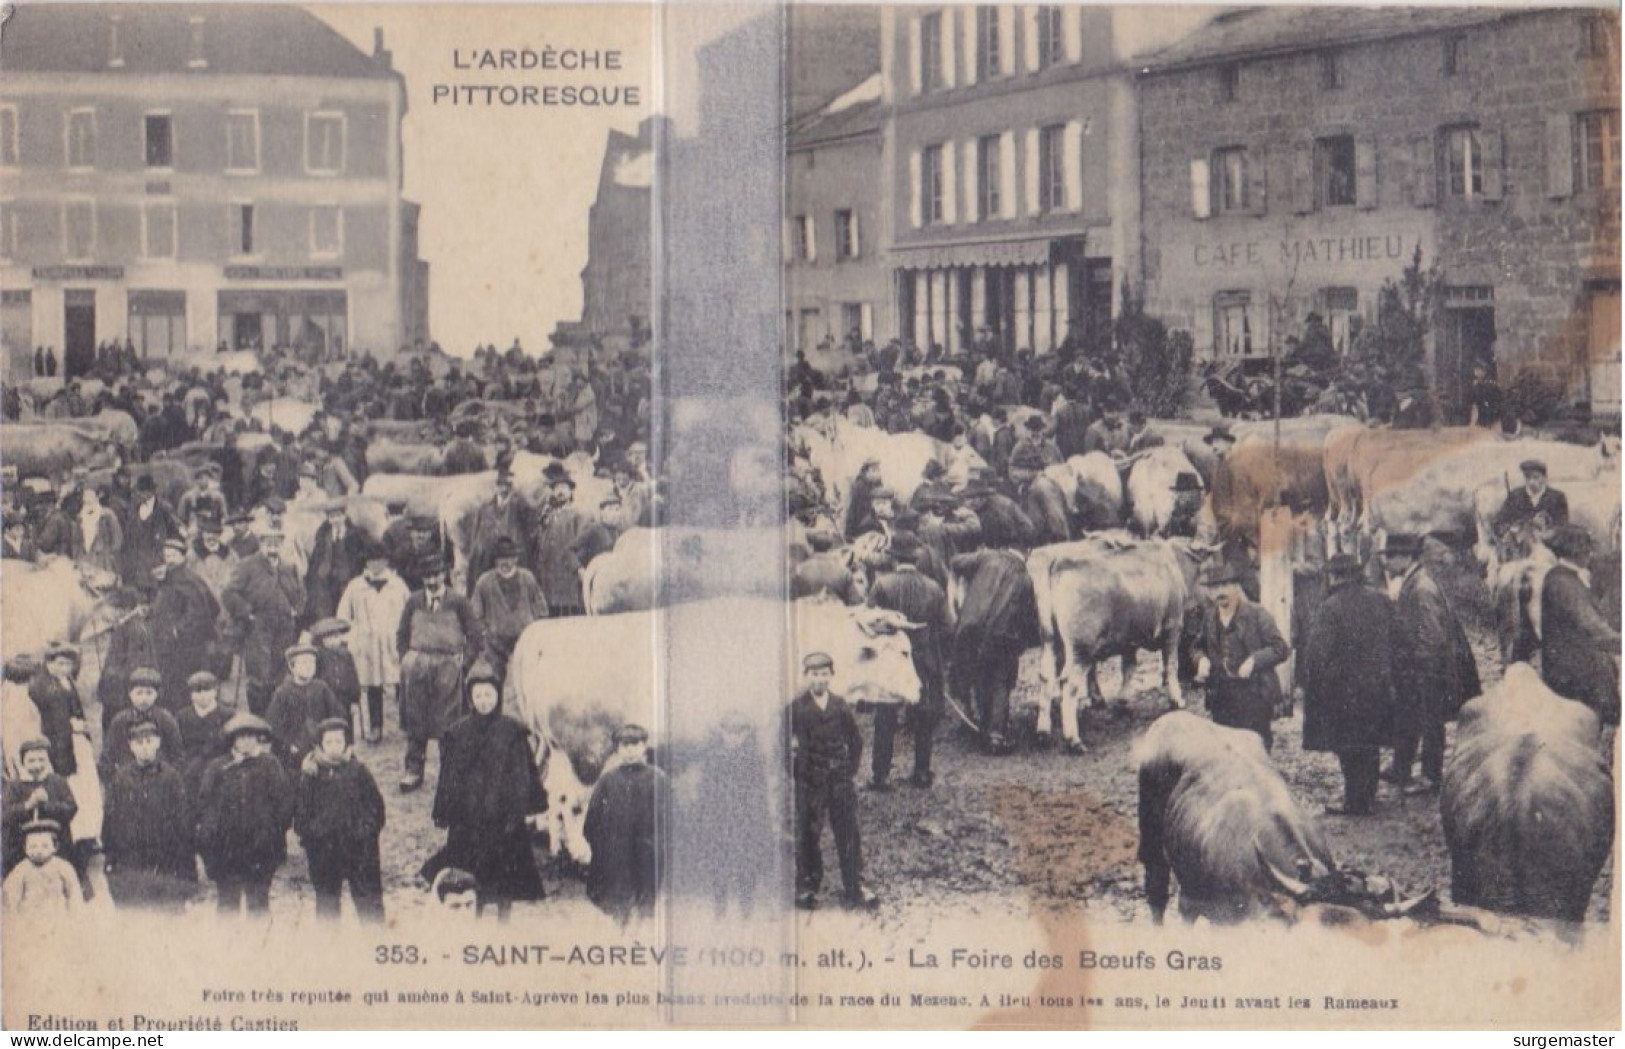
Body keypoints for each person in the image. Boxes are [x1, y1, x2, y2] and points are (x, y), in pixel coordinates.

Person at [423, 663, 546, 919]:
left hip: (504, 819)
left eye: (488, 695)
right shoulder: (458, 733)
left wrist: (523, 807)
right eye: (478, 696)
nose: (484, 701)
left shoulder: (512, 731)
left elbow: (524, 773)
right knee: (471, 871)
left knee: (505, 875)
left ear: (498, 696)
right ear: (470, 698)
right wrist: (447, 812)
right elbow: (449, 778)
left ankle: (504, 918)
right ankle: (473, 914)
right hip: (470, 820)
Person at [1298, 554, 1398, 816]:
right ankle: (1368, 796)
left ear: (1334, 576)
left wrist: (1315, 686)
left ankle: (1355, 802)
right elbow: (1399, 640)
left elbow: (1317, 655)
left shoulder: (1330, 607)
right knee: (1370, 744)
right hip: (1377, 687)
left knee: (1349, 748)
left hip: (1343, 693)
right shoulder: (1381, 599)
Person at [1379, 534, 1480, 793]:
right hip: (1420, 665)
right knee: (1410, 714)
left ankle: (1431, 776)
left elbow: (1431, 635)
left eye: (1389, 557)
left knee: (1430, 720)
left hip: (1429, 669)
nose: (1386, 563)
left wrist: (1418, 667)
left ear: (1404, 557)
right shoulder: (1414, 581)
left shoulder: (1421, 587)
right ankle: (1401, 767)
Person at [787, 652, 876, 911]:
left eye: (824, 674)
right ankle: (806, 887)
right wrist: (797, 772)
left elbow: (856, 741)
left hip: (840, 781)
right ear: (806, 676)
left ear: (831, 676)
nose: (819, 679)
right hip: (810, 782)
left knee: (848, 832)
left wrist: (849, 771)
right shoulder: (796, 709)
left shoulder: (839, 706)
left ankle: (855, 885)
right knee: (808, 834)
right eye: (814, 674)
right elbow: (780, 745)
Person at [866, 537, 950, 789]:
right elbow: (948, 626)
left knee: (886, 715)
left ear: (893, 558)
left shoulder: (881, 584)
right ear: (917, 559)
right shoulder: (934, 587)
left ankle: (881, 775)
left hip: (891, 657)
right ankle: (922, 772)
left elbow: (869, 621)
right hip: (924, 657)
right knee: (924, 714)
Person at [395, 556, 482, 793]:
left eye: (436, 575)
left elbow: (475, 635)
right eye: (427, 576)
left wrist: (464, 663)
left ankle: (451, 773)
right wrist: (406, 658)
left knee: (449, 721)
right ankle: (413, 770)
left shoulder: (458, 602)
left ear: (444, 574)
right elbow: (402, 633)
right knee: (415, 718)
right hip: (418, 665)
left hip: (448, 665)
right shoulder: (414, 601)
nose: (432, 580)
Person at [195, 712, 293, 917]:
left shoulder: (270, 765)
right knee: (227, 904)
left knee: (258, 903)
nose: (246, 742)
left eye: (250, 736)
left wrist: (271, 833)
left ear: (258, 738)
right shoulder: (218, 767)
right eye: (241, 737)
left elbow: (283, 805)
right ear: (233, 740)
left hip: (261, 849)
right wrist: (211, 839)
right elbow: (205, 805)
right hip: (226, 850)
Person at [948, 549, 1039, 755]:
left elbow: (956, 560)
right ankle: (996, 735)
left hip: (974, 629)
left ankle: (981, 725)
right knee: (1001, 683)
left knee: (981, 676)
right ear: (1026, 554)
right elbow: (1028, 618)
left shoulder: (987, 557)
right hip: (1003, 637)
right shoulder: (1025, 578)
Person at [294, 718, 386, 923]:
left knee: (368, 902)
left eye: (338, 741)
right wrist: (314, 835)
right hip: (324, 851)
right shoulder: (311, 775)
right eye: (329, 742)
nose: (335, 747)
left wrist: (365, 832)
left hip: (359, 849)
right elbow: (301, 814)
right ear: (320, 746)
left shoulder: (358, 771)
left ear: (346, 743)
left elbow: (376, 809)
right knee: (327, 903)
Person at [1192, 562, 1291, 750]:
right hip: (1221, 694)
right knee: (1226, 749)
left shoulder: (1256, 613)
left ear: (1236, 587)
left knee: (1255, 746)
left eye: (1225, 586)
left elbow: (1280, 648)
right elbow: (1197, 647)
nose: (1220, 593)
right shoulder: (1209, 617)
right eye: (1214, 588)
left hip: (1253, 694)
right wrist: (1201, 660)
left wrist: (1254, 660)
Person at [683, 711, 771, 918]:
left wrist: (760, 820)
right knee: (719, 864)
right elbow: (705, 791)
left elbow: (760, 793)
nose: (734, 737)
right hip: (719, 820)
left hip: (746, 821)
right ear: (722, 733)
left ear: (747, 734)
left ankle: (746, 909)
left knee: (746, 865)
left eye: (739, 733)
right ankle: (719, 909)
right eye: (730, 732)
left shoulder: (753, 760)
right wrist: (703, 817)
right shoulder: (713, 759)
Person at [102, 719, 194, 912]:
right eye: (139, 743)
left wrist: (186, 868)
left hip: (164, 858)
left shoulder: (171, 777)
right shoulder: (121, 778)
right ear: (131, 746)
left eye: (149, 741)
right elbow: (111, 820)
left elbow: (183, 823)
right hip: (131, 858)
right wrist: (111, 858)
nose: (144, 748)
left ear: (158, 742)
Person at [583, 724, 668, 923]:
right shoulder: (608, 780)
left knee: (646, 903)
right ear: (617, 749)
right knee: (619, 904)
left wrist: (658, 843)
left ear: (644, 746)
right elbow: (592, 819)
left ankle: (643, 937)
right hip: (617, 853)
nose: (630, 750)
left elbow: (668, 816)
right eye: (624, 745)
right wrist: (603, 845)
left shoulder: (657, 779)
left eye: (635, 744)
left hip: (647, 851)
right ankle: (621, 931)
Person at [1536, 525, 1621, 724]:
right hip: (1576, 677)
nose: (1590, 554)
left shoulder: (1565, 577)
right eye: (1587, 549)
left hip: (1571, 668)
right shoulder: (1564, 583)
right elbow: (1596, 631)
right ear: (1578, 552)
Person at [222, 528, 305, 716]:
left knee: (281, 673)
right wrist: (247, 612)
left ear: (281, 545)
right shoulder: (248, 566)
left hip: (285, 626)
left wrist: (296, 610)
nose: (273, 548)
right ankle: (259, 720)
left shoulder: (288, 566)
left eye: (276, 544)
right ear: (261, 544)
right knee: (259, 675)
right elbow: (229, 593)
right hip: (258, 626)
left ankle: (276, 719)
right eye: (269, 544)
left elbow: (301, 592)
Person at [336, 548, 411, 745]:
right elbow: (343, 616)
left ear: (386, 562)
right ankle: (376, 726)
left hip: (392, 640)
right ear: (366, 563)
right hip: (367, 643)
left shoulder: (398, 585)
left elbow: (410, 612)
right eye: (371, 561)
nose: (375, 565)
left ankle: (407, 722)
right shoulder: (356, 587)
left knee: (401, 681)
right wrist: (351, 636)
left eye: (380, 561)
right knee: (373, 684)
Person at [150, 538, 221, 712]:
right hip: (169, 643)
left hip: (184, 646)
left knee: (182, 686)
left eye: (174, 555)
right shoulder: (170, 577)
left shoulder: (187, 579)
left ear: (183, 557)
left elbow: (203, 610)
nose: (169, 559)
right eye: (167, 555)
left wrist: (178, 630)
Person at [470, 535, 548, 683]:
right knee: (495, 684)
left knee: (527, 682)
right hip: (496, 647)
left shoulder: (527, 579)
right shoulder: (485, 582)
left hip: (525, 643)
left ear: (516, 559)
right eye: (500, 558)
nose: (505, 562)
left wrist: (533, 633)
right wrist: (487, 635)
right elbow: (475, 615)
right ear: (495, 561)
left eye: (509, 558)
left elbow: (542, 610)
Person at [2, 739, 78, 877]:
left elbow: (71, 808)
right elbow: (5, 814)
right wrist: (28, 805)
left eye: (41, 760)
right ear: (23, 762)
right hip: (22, 849)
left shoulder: (57, 782)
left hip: (57, 847)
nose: (37, 765)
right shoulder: (15, 786)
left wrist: (47, 805)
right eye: (31, 761)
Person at [267, 642, 347, 772]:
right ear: (292, 667)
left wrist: (330, 736)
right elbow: (274, 726)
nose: (309, 667)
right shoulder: (283, 692)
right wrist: (290, 745)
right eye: (303, 663)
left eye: (312, 663)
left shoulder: (321, 688)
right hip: (293, 747)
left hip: (321, 742)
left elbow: (337, 714)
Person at [100, 666, 184, 782]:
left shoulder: (165, 720)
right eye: (139, 693)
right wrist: (116, 781)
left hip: (159, 780)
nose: (144, 698)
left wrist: (168, 778)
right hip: (128, 781)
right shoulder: (120, 721)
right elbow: (107, 758)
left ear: (156, 694)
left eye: (149, 693)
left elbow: (177, 756)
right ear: (130, 694)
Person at [465, 467, 534, 596]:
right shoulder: (485, 508)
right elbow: (476, 537)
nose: (504, 489)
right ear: (496, 486)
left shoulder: (519, 506)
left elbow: (527, 532)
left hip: (510, 556)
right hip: (488, 559)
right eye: (501, 485)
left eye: (508, 485)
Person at [532, 463, 590, 617]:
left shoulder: (578, 514)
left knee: (570, 611)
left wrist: (577, 566)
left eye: (564, 488)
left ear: (571, 492)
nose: (560, 492)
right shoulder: (548, 515)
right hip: (550, 573)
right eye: (556, 488)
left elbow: (582, 543)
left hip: (568, 573)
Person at [29, 642, 87, 779]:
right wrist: (73, 725)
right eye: (60, 664)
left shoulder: (65, 679)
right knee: (61, 769)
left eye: (68, 664)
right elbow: (57, 719)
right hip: (56, 735)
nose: (65, 668)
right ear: (49, 663)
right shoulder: (46, 686)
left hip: (71, 733)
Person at [3, 820, 82, 917]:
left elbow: (74, 891)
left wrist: (75, 913)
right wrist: (13, 913)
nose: (39, 851)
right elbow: (11, 891)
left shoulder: (63, 866)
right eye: (33, 846)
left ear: (55, 847)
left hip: (57, 915)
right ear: (25, 848)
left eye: (45, 846)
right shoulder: (22, 868)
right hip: (31, 917)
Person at [305, 502, 367, 625]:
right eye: (332, 517)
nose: (336, 520)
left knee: (347, 610)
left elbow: (361, 557)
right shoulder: (323, 535)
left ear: (344, 516)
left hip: (346, 579)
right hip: (326, 580)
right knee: (325, 611)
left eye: (338, 516)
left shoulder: (355, 534)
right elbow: (316, 557)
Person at [1490, 460, 1570, 549]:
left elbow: (1563, 527)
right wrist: (1513, 530)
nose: (1531, 482)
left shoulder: (1557, 497)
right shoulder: (1515, 496)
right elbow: (1499, 523)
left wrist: (1547, 532)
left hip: (1548, 548)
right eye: (1528, 477)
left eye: (1536, 477)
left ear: (1544, 478)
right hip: (1518, 549)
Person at [175, 671, 232, 794]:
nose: (202, 695)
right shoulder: (182, 716)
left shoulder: (227, 714)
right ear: (191, 695)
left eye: (207, 690)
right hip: (190, 764)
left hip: (218, 763)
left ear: (215, 691)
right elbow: (178, 745)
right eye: (197, 691)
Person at [311, 618, 362, 737]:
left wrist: (355, 700)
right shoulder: (319, 656)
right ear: (323, 640)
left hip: (344, 698)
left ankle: (347, 747)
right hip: (326, 697)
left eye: (337, 636)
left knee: (345, 723)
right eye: (330, 637)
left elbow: (353, 678)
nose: (334, 641)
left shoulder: (346, 655)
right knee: (327, 725)